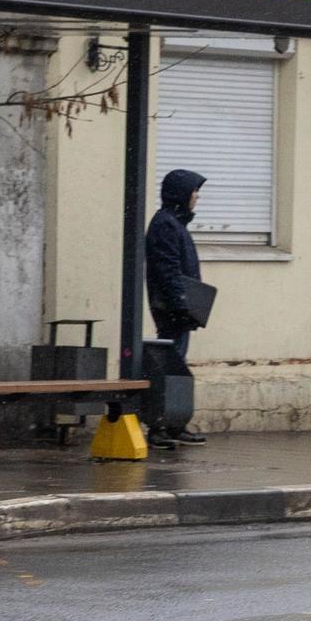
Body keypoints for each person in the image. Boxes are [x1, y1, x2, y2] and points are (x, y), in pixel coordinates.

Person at [143, 168, 209, 450]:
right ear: (181, 194)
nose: (197, 197)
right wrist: (181, 302)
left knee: (176, 367)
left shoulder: (174, 224)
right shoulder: (166, 225)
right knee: (171, 367)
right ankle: (161, 426)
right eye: (194, 192)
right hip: (171, 308)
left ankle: (172, 424)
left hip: (177, 306)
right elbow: (168, 269)